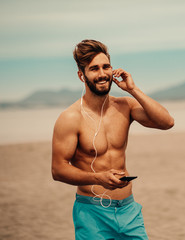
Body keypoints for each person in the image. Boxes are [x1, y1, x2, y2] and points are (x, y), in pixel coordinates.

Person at [51, 39, 174, 240]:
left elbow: (167, 122)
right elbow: (58, 170)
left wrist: (132, 89)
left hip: (128, 210)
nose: (102, 74)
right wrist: (97, 178)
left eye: (106, 66)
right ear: (81, 75)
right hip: (92, 213)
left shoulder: (125, 106)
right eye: (94, 69)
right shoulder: (71, 118)